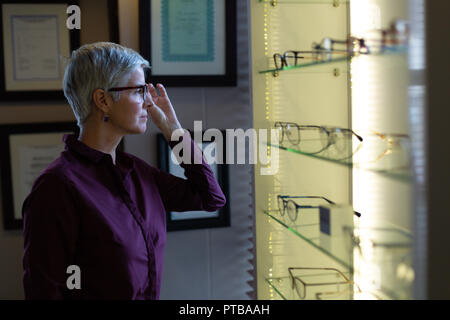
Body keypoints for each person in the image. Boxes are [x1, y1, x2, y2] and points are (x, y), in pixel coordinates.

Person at [22, 42, 226, 299]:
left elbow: (211, 197)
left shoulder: (137, 172)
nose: (148, 102)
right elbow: (44, 291)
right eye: (139, 91)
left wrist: (173, 130)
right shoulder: (57, 187)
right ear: (103, 100)